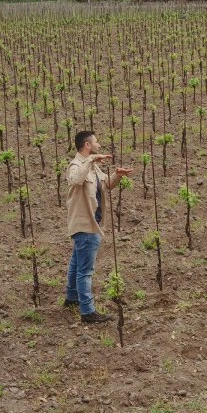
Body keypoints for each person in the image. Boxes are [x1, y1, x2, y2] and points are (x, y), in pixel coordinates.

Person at [64, 130, 132, 324]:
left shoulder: (93, 167)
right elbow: (76, 180)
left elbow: (107, 185)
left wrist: (117, 176)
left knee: (77, 263)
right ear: (87, 146)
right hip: (85, 225)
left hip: (91, 223)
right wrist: (91, 159)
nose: (99, 145)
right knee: (85, 270)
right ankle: (87, 311)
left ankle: (71, 298)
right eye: (96, 142)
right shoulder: (76, 165)